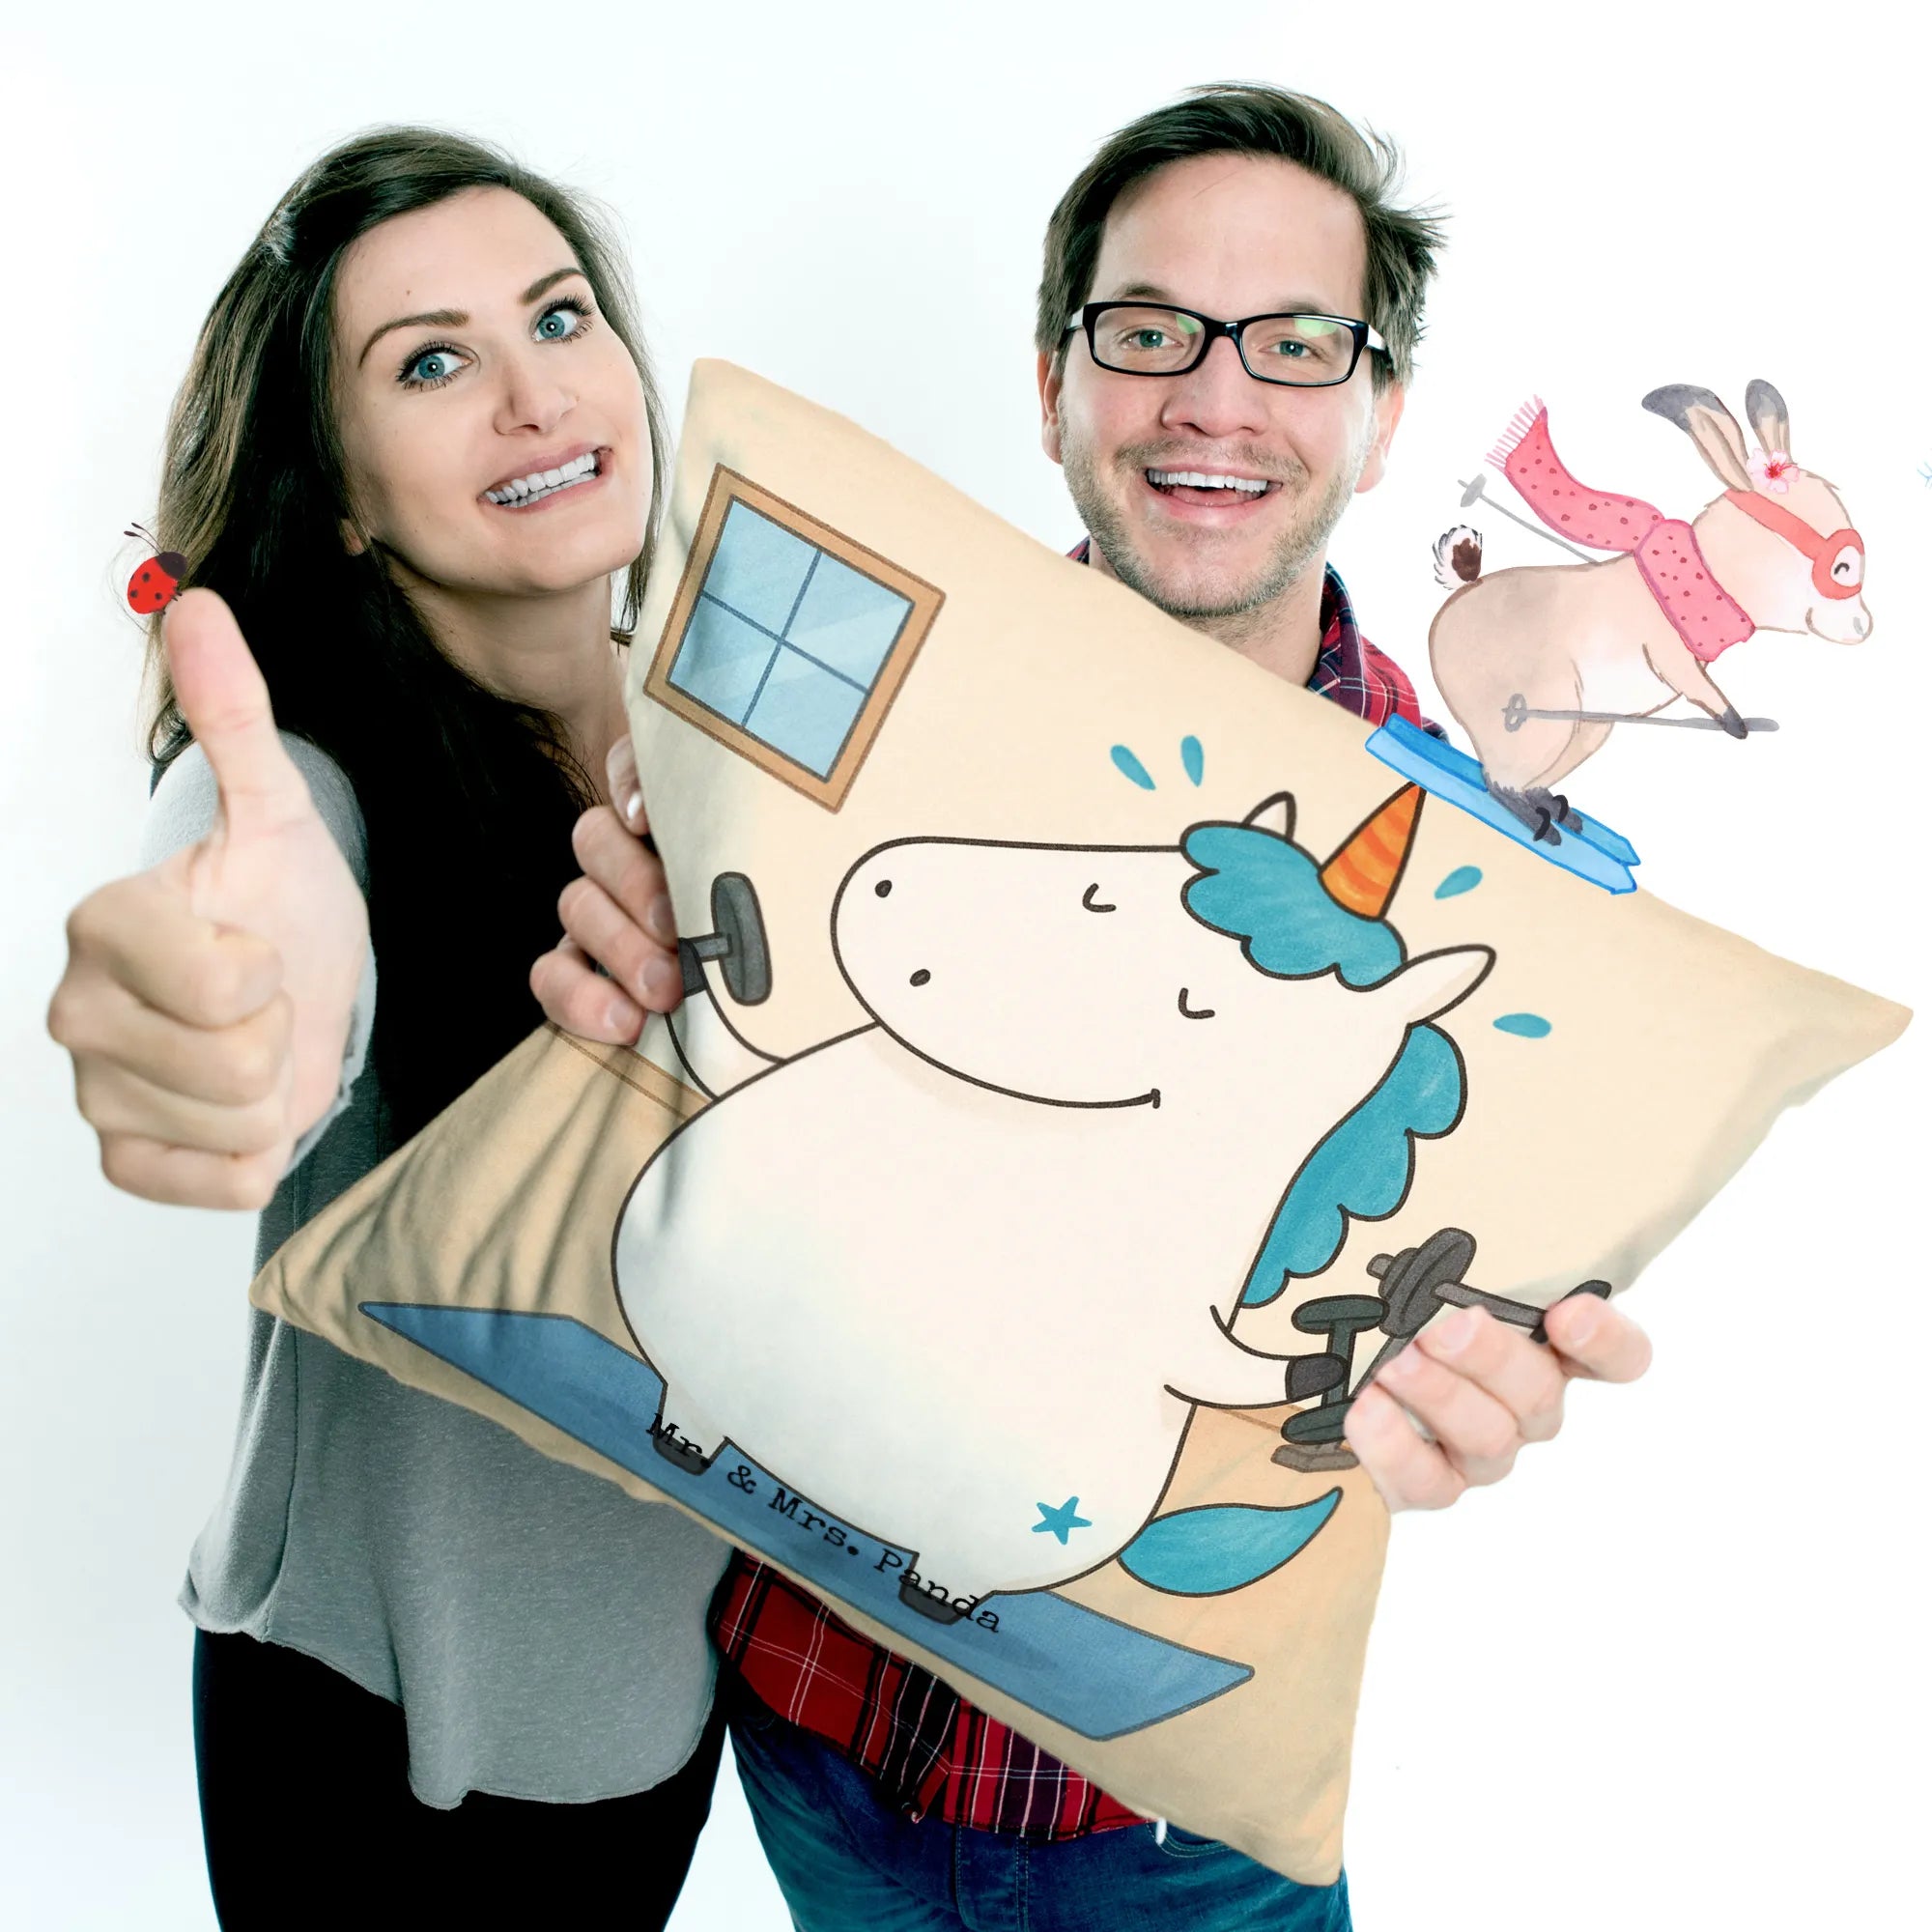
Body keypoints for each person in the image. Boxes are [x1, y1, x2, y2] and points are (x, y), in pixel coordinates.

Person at [534, 84, 1655, 1929]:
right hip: (804, 1739)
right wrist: (625, 969)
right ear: (1054, 383)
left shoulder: (1495, 894)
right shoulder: (851, 692)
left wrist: (1479, 1384)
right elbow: (694, 1066)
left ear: (1380, 419)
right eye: (1150, 333)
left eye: (1296, 343)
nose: (1216, 398)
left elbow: (1438, 1299)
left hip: (1181, 1831)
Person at [46, 129, 732, 1927]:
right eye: (431, 363)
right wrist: (221, 1006)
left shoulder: (727, 753)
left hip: (659, 1704)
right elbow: (254, 905)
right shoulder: (308, 782)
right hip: (376, 1734)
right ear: (343, 495)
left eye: (559, 318)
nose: (533, 395)